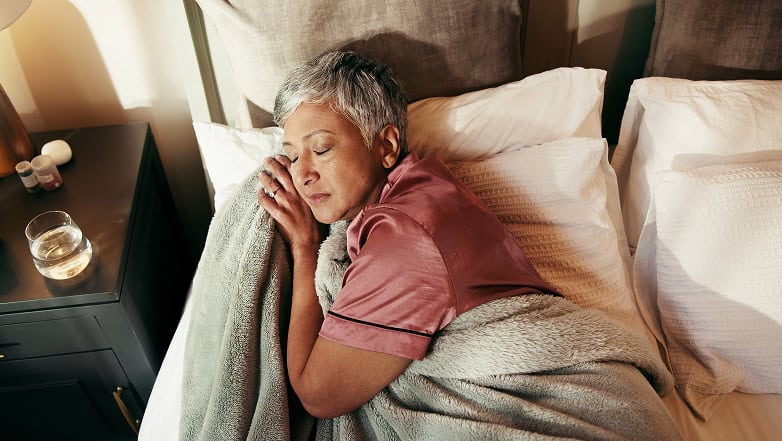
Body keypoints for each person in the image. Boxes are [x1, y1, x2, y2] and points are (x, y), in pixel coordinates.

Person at [257, 51, 558, 419]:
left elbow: (317, 394)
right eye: (291, 157)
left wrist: (304, 247)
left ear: (386, 146)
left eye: (320, 149)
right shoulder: (428, 189)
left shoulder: (407, 237)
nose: (302, 174)